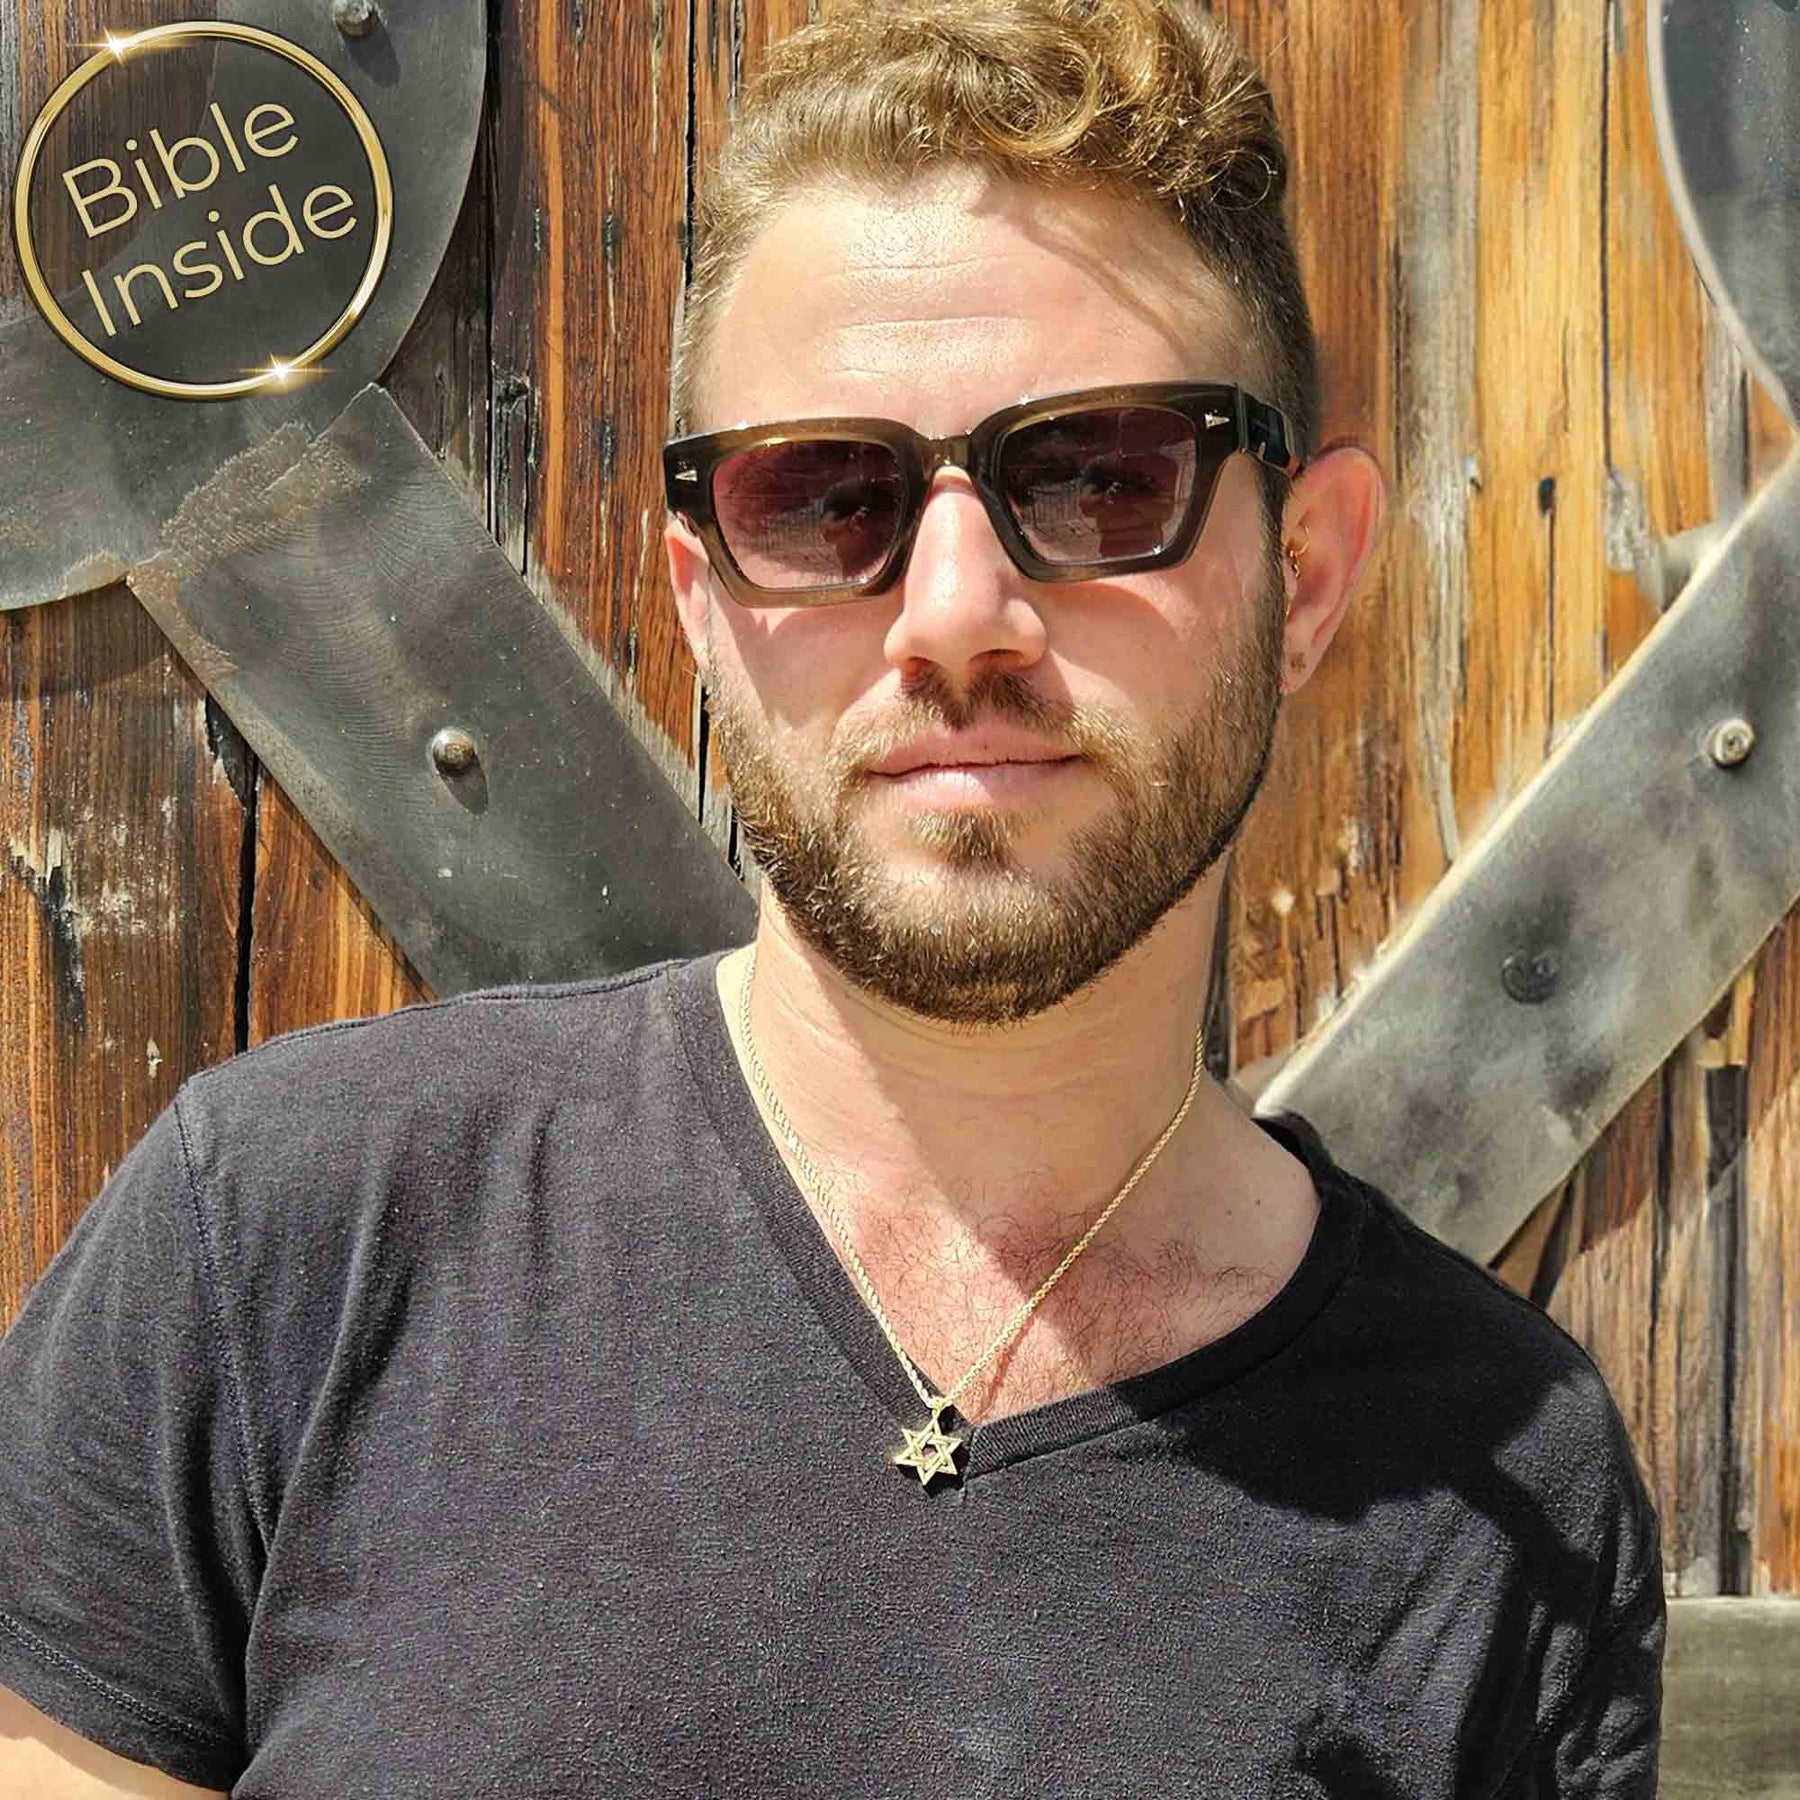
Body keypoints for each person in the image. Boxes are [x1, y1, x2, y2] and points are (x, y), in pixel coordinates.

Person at [0, 1, 1664, 1794]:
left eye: (1103, 477)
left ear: (1309, 574)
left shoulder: (1509, 1472)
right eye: (823, 496)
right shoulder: (284, 1246)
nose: (953, 614)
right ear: (704, 604)